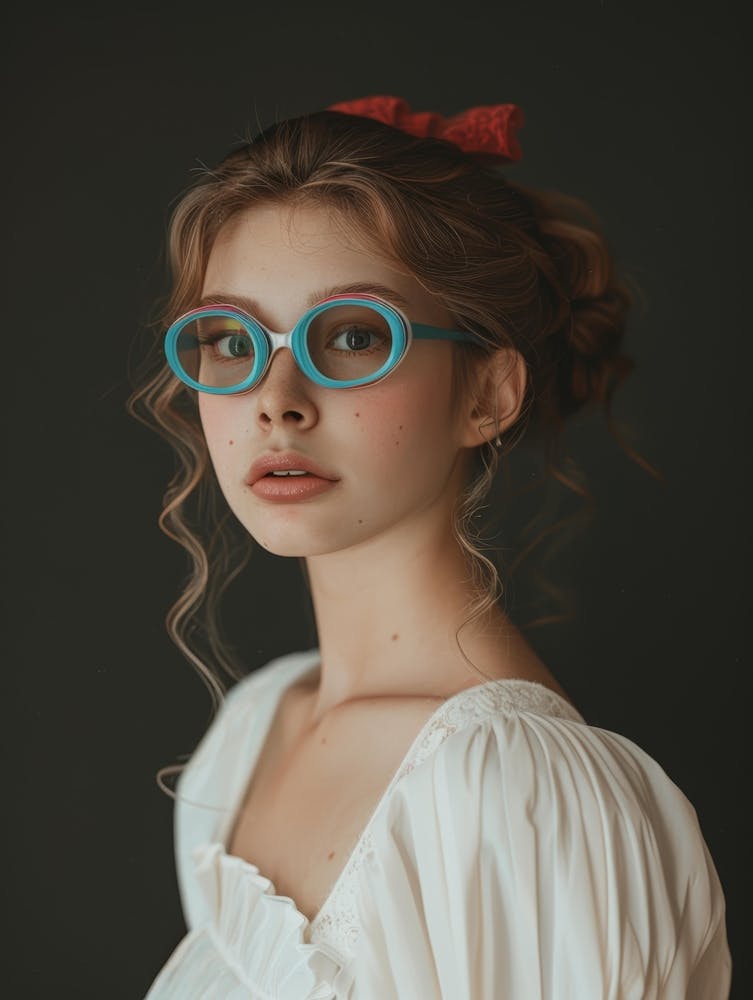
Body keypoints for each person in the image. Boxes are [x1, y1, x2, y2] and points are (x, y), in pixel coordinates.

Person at [131, 96, 732, 998]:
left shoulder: (520, 793)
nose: (277, 399)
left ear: (487, 393)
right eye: (230, 340)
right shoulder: (254, 729)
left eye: (354, 336)